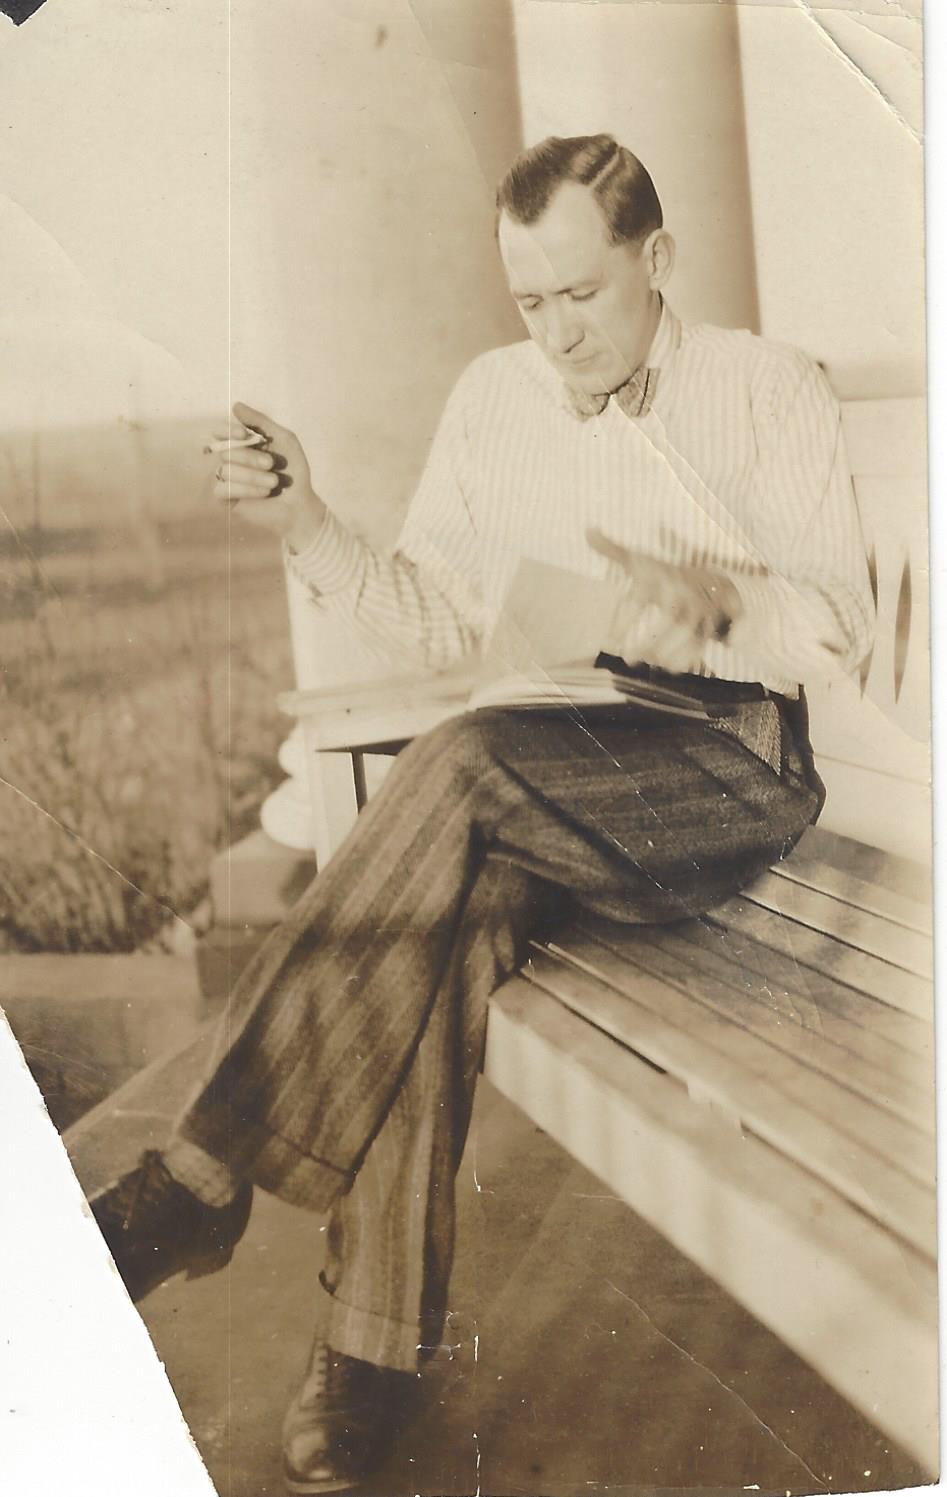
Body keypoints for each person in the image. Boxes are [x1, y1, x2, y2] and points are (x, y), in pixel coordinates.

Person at [90, 134, 874, 1494]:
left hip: (726, 764)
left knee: (452, 768)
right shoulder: (495, 400)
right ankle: (374, 1344)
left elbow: (843, 624)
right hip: (561, 750)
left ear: (656, 260)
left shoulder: (764, 385)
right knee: (442, 909)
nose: (558, 335)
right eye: (531, 304)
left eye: (582, 295)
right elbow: (432, 607)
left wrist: (728, 602)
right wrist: (308, 519)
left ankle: (200, 1176)